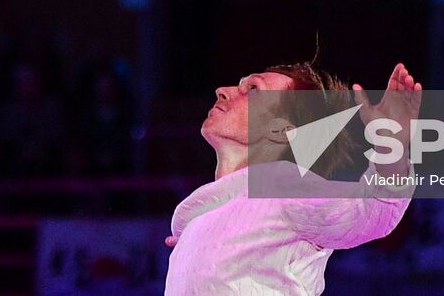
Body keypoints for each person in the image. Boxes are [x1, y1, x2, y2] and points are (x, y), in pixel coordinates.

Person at [164, 59, 422, 294]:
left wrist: (391, 146)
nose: (223, 90)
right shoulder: (198, 217)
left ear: (280, 130)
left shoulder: (286, 188)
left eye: (253, 89)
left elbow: (372, 210)